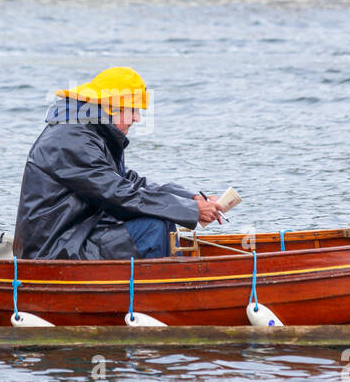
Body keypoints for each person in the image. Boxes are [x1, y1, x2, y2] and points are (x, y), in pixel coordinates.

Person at [14, 67, 225, 261]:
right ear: (110, 108)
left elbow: (129, 182)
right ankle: (161, 292)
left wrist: (191, 199)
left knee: (162, 218)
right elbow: (118, 194)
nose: (137, 119)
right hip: (53, 249)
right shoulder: (70, 140)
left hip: (78, 232)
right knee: (154, 227)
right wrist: (191, 210)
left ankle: (168, 285)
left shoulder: (88, 132)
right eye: (133, 110)